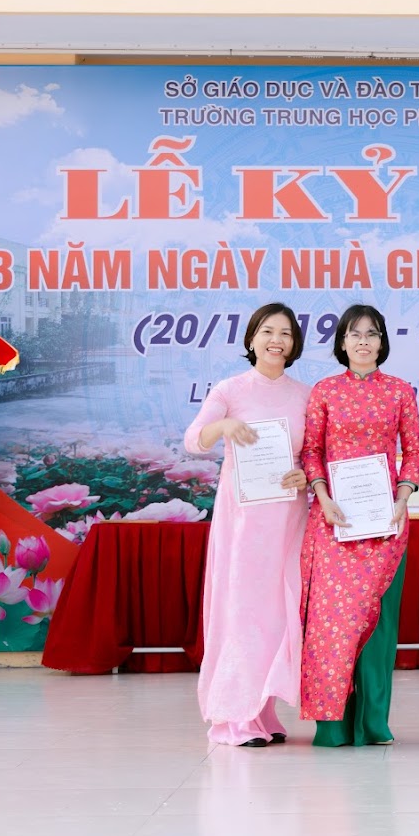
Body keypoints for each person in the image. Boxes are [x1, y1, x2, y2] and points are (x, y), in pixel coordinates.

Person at [184, 302, 311, 747]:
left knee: (277, 614)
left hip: (289, 518)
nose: (277, 340)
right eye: (268, 331)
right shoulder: (230, 390)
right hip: (244, 522)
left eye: (286, 333)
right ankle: (233, 718)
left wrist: (305, 474)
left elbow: (312, 454)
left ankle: (263, 712)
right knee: (242, 613)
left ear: (294, 344)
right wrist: (224, 425)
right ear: (252, 338)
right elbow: (193, 440)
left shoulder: (305, 395)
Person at [300, 304, 419, 747]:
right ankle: (332, 725)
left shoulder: (400, 391)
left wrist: (402, 498)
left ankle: (373, 722)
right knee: (331, 623)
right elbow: (312, 451)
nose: (364, 341)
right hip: (334, 520)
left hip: (385, 521)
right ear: (342, 342)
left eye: (372, 334)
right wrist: (323, 496)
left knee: (378, 623)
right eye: (355, 334)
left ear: (382, 341)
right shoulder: (325, 391)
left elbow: (413, 451)